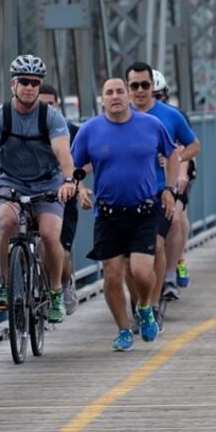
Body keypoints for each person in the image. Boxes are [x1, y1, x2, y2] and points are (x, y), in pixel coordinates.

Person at [0, 55, 77, 324]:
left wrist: (69, 180)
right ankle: (4, 284)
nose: (29, 86)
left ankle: (56, 293)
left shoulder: (51, 117)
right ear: (13, 84)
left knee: (50, 235)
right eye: (23, 81)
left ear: (39, 86)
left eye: (35, 82)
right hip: (12, 182)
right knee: (8, 222)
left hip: (48, 183)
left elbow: (63, 151)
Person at [71, 76, 178, 351]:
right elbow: (75, 166)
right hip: (107, 214)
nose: (116, 96)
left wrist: (168, 189)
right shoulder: (90, 130)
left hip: (144, 211)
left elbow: (173, 154)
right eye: (109, 92)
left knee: (142, 273)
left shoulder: (151, 125)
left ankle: (144, 306)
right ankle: (123, 330)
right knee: (112, 276)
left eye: (120, 91)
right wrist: (80, 188)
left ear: (128, 96)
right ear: (102, 99)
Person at [125, 63, 196, 327]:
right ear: (127, 88)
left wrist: (175, 161)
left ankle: (153, 304)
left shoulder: (170, 115)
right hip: (125, 195)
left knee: (156, 244)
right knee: (125, 262)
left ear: (153, 87)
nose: (141, 90)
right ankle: (138, 304)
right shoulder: (119, 114)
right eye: (135, 86)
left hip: (158, 192)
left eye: (145, 85)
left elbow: (193, 145)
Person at [37, 83, 89, 315]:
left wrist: (79, 182)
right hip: (34, 194)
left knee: (62, 253)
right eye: (42, 105)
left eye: (51, 104)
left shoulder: (72, 131)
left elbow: (88, 160)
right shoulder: (24, 129)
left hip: (63, 197)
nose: (47, 109)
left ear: (57, 105)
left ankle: (65, 284)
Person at [152, 69, 197, 299]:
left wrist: (182, 173)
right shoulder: (132, 117)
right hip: (148, 180)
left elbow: (188, 148)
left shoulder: (174, 115)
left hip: (176, 174)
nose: (154, 99)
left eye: (158, 95)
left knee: (177, 219)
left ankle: (171, 274)